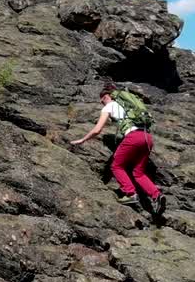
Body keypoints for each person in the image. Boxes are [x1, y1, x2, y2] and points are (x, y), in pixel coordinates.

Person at [69, 83, 166, 217]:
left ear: (106, 96)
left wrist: (82, 140)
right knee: (139, 173)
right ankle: (156, 196)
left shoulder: (109, 106)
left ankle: (130, 193)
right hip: (147, 137)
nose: (101, 102)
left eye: (101, 99)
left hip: (133, 137)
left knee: (116, 166)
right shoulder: (128, 104)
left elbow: (97, 130)